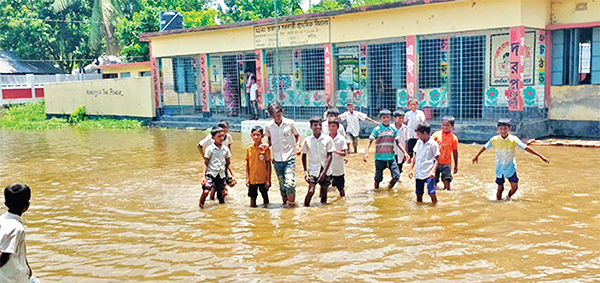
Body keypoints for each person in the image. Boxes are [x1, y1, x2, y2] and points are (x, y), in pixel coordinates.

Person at [472, 119, 549, 201]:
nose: (503, 131)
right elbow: (484, 147)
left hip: (510, 168)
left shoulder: (514, 139)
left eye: (505, 129)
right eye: (501, 129)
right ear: (498, 130)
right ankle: (498, 204)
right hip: (499, 168)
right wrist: (477, 156)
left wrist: (540, 156)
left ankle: (508, 197)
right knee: (500, 188)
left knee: (515, 187)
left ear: (509, 129)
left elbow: (526, 148)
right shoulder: (494, 139)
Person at [265, 101, 301, 207]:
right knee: (282, 185)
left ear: (282, 112)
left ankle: (292, 207)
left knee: (289, 184)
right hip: (276, 160)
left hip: (289, 158)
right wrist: (267, 145)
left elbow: (297, 136)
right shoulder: (269, 126)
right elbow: (269, 140)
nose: (277, 118)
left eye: (279, 115)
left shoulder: (290, 123)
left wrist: (297, 146)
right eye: (274, 116)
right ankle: (285, 206)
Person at [363, 109, 410, 189]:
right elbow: (370, 141)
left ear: (390, 118)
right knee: (378, 178)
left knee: (396, 176)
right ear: (380, 119)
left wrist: (405, 152)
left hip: (391, 158)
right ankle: (376, 191)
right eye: (384, 117)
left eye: (387, 117)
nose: (386, 119)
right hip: (379, 158)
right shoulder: (377, 129)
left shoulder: (393, 130)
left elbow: (398, 142)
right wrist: (366, 153)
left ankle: (389, 188)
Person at [0, 184, 33, 283]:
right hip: (13, 279)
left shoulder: (2, 219)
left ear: (5, 203)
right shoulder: (16, 228)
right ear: (27, 206)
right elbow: (4, 256)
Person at [197, 120, 235, 201]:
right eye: (222, 132)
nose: (223, 136)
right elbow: (199, 146)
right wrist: (204, 157)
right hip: (212, 165)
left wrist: (233, 174)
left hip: (222, 164)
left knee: (223, 187)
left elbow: (229, 150)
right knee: (208, 189)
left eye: (225, 132)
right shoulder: (210, 144)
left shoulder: (228, 137)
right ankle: (207, 201)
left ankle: (220, 200)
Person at [301, 117, 334, 206]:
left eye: (320, 125)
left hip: (325, 169)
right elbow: (303, 155)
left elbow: (330, 156)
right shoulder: (307, 140)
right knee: (311, 191)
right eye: (315, 125)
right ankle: (305, 207)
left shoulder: (327, 139)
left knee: (324, 192)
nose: (318, 127)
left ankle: (322, 213)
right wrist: (305, 171)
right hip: (313, 169)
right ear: (311, 127)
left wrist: (324, 172)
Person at [408, 123, 440, 204]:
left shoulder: (433, 144)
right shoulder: (419, 142)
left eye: (419, 134)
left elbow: (437, 158)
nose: (417, 136)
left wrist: (433, 171)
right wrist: (411, 169)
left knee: (431, 192)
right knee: (419, 193)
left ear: (425, 133)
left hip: (429, 172)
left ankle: (435, 205)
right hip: (419, 171)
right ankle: (419, 208)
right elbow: (415, 154)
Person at [245, 126, 271, 207]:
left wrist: (268, 180)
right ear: (251, 136)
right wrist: (247, 178)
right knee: (252, 199)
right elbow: (247, 164)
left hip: (263, 178)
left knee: (265, 197)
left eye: (258, 135)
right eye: (254, 135)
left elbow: (268, 164)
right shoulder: (249, 149)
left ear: (262, 136)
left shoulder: (266, 149)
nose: (256, 137)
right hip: (253, 179)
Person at [432, 116, 459, 191]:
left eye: (447, 125)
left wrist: (456, 165)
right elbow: (429, 147)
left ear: (452, 127)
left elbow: (455, 152)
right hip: (435, 162)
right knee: (433, 182)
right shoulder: (436, 135)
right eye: (443, 125)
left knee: (447, 183)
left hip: (447, 163)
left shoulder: (454, 138)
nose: (445, 127)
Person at [327, 117, 348, 198]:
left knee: (341, 189)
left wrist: (334, 150)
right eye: (330, 126)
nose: (331, 128)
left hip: (338, 169)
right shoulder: (325, 138)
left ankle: (343, 203)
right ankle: (322, 202)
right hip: (327, 168)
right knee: (324, 187)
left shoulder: (341, 139)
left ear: (337, 127)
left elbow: (344, 153)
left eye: (333, 126)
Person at [405, 99, 426, 163]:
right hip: (410, 133)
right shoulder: (407, 114)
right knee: (410, 146)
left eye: (414, 104)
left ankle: (418, 158)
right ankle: (410, 159)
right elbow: (405, 122)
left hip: (418, 133)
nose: (413, 106)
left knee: (418, 146)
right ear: (409, 106)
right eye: (411, 105)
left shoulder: (420, 113)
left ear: (417, 105)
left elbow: (423, 121)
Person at [391, 110, 409, 178]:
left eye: (402, 118)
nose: (401, 119)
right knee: (393, 167)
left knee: (400, 166)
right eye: (399, 118)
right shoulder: (390, 128)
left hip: (401, 152)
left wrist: (406, 153)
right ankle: (395, 179)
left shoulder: (405, 128)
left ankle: (397, 179)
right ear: (395, 118)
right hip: (392, 151)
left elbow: (406, 141)